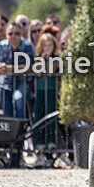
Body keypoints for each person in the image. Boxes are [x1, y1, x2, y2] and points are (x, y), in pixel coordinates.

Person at [0, 22, 35, 119]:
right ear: (6, 35)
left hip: (22, 82)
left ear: (21, 34)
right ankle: (10, 133)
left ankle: (20, 131)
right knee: (7, 113)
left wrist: (8, 68)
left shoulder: (27, 46)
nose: (13, 36)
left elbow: (28, 67)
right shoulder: (1, 45)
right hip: (5, 83)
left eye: (17, 33)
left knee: (18, 99)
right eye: (11, 34)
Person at [33, 32, 61, 166]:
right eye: (45, 45)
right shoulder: (37, 57)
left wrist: (48, 60)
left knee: (50, 114)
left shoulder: (56, 58)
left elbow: (50, 72)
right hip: (40, 90)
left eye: (50, 45)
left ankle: (50, 141)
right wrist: (42, 59)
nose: (48, 48)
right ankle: (38, 143)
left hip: (51, 90)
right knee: (38, 114)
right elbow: (38, 72)